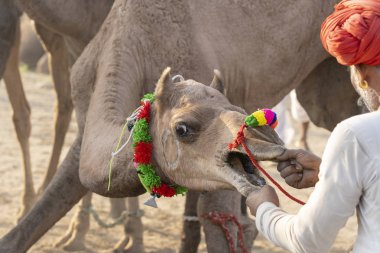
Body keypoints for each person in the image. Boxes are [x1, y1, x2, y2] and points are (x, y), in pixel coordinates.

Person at [246, 1, 380, 252]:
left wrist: (263, 208)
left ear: (360, 74)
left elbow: (306, 240)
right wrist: (329, 172)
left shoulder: (355, 135)